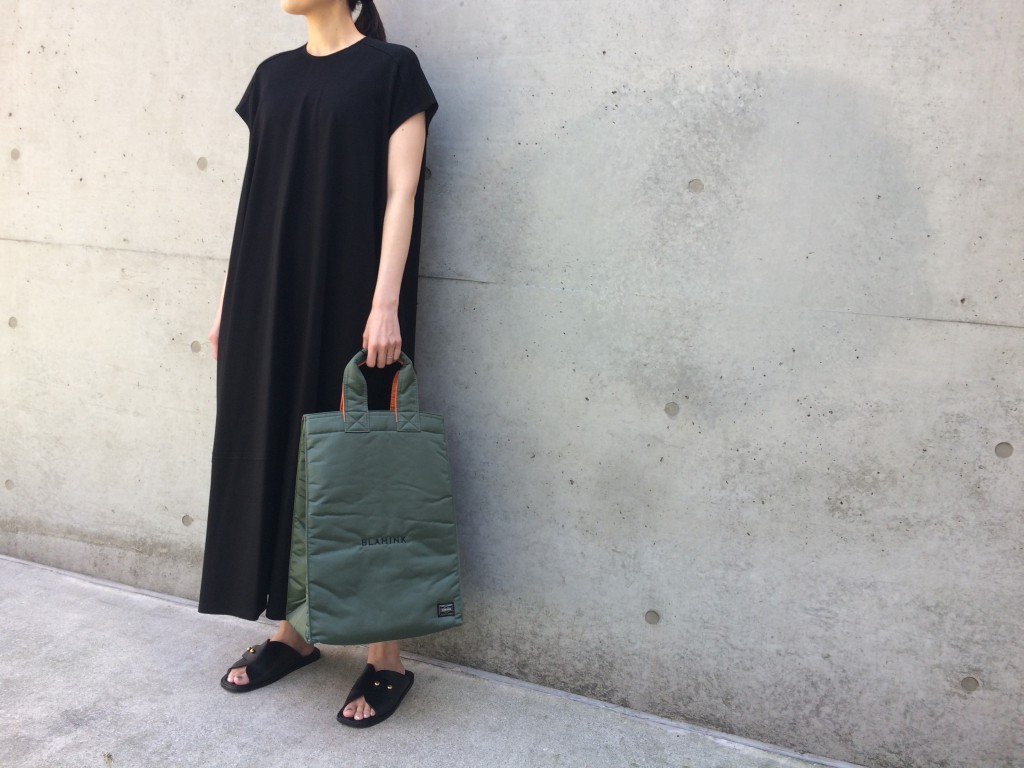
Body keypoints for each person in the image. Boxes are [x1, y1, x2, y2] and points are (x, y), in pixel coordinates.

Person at [198, 0, 438, 728]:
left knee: (365, 473)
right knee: (281, 455)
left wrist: (385, 304)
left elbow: (403, 191)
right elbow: (256, 199)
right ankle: (294, 632)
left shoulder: (391, 69)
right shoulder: (271, 77)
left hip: (355, 302)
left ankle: (387, 659)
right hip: (267, 299)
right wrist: (228, 303)